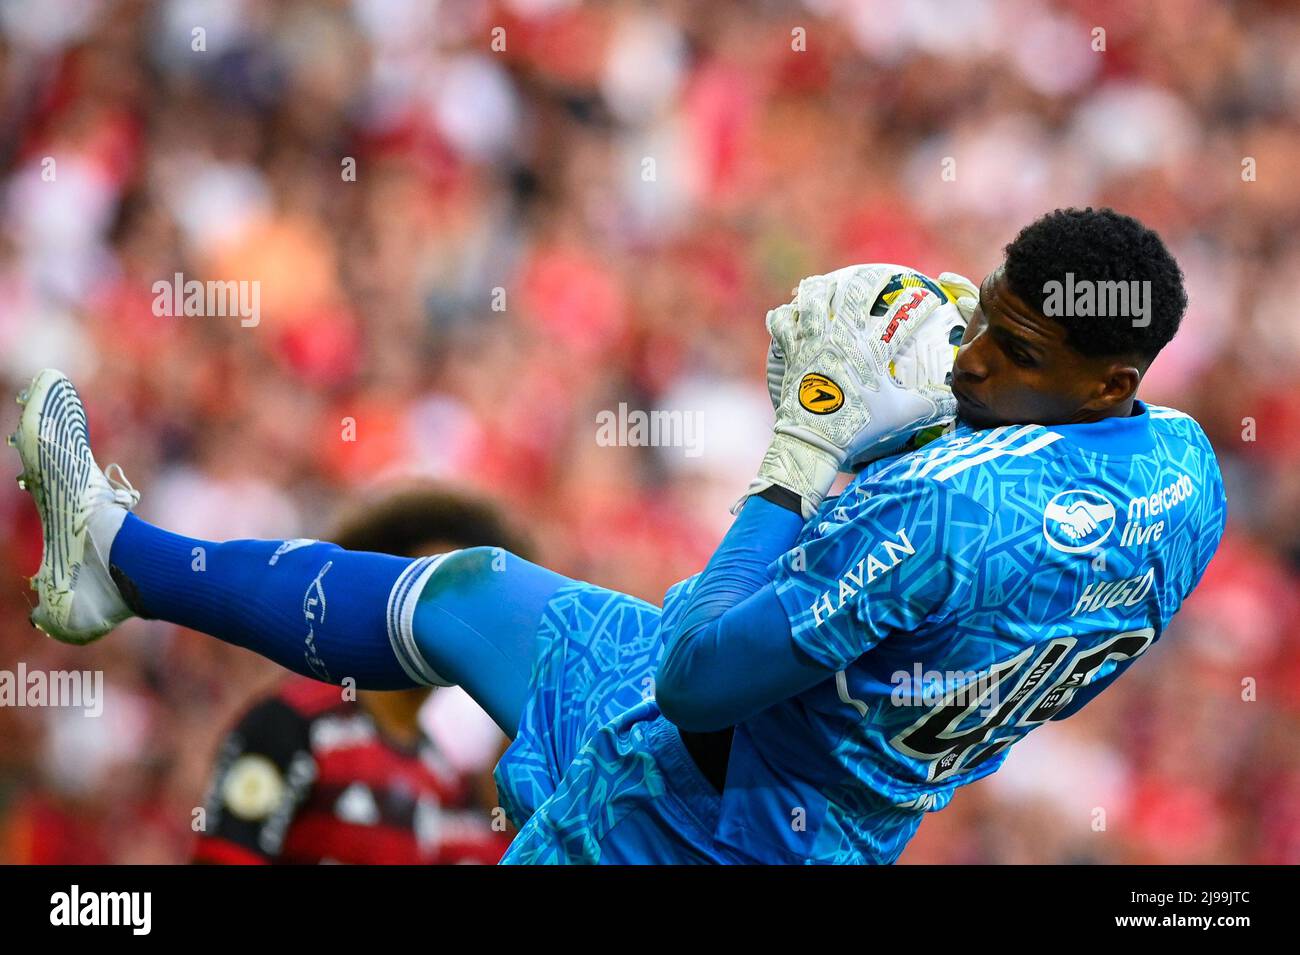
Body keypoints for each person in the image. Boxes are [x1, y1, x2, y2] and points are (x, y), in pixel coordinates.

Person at [11, 207, 1228, 864]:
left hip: (699, 822)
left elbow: (694, 678)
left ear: (1106, 378)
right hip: (834, 793)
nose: (967, 364)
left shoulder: (956, 511)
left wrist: (806, 448)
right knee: (469, 594)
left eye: (1009, 353)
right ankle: (114, 557)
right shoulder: (1186, 472)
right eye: (984, 322)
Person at [191, 488, 529, 864]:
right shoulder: (294, 722)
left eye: (474, 604)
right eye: (435, 591)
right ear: (383, 595)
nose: (455, 618)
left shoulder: (440, 776)